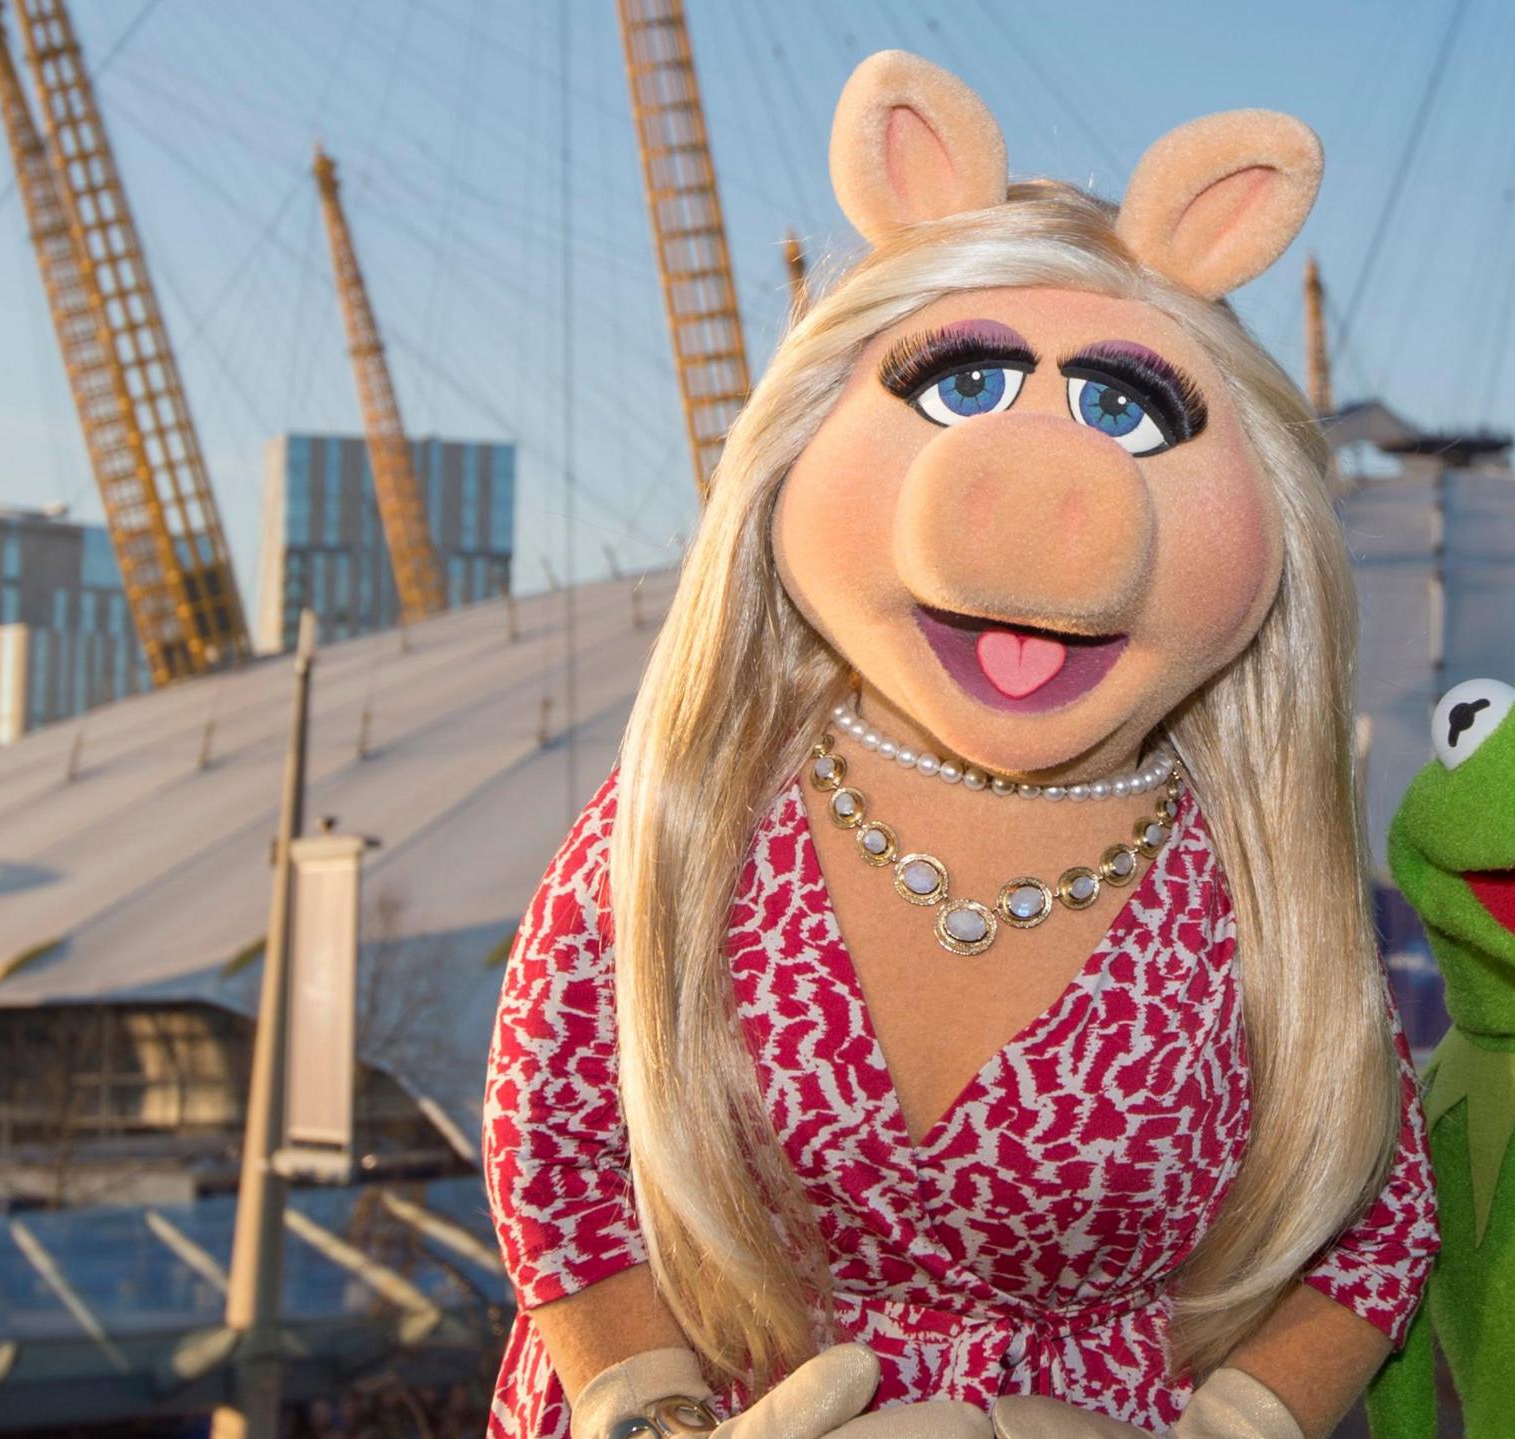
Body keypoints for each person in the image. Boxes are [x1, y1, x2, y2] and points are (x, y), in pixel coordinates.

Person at [482, 51, 1435, 1439]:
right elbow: (557, 1144)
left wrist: (1238, 1425)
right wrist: (644, 1405)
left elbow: (1378, 1216)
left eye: (1131, 411)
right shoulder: (691, 820)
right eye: (963, 387)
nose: (1049, 494)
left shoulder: (1256, 893)